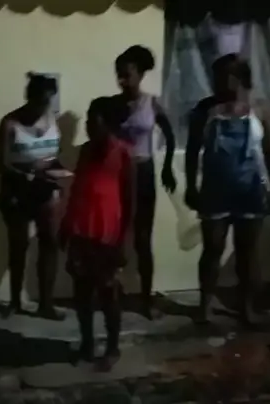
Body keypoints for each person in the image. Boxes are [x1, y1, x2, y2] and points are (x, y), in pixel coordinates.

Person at [184, 53, 270, 325]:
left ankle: (246, 308)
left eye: (220, 77)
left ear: (237, 79)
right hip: (214, 191)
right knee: (212, 249)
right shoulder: (204, 110)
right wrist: (190, 186)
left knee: (247, 253)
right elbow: (192, 151)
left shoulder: (261, 110)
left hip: (251, 191)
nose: (214, 83)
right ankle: (205, 306)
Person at [60, 97, 134, 372]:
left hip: (107, 235)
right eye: (88, 118)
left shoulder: (124, 153)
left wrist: (122, 241)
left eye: (94, 119)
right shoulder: (86, 151)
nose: (88, 124)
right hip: (81, 230)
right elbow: (77, 188)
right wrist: (66, 225)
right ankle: (87, 343)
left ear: (108, 123)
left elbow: (130, 202)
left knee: (108, 294)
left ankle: (112, 347)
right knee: (81, 292)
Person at [0, 73, 69, 320]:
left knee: (50, 242)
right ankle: (15, 301)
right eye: (39, 101)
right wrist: (26, 175)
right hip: (17, 189)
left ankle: (46, 303)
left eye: (47, 101)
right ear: (29, 97)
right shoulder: (10, 123)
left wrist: (57, 171)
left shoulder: (52, 120)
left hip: (46, 187)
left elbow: (54, 154)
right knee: (18, 245)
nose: (43, 106)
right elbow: (1, 164)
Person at [113, 45, 177, 319]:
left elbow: (170, 136)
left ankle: (146, 298)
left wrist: (167, 167)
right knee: (115, 235)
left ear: (140, 74)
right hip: (118, 174)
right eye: (119, 74)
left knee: (142, 238)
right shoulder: (113, 106)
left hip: (144, 172)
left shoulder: (151, 104)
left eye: (127, 74)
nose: (122, 80)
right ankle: (111, 296)